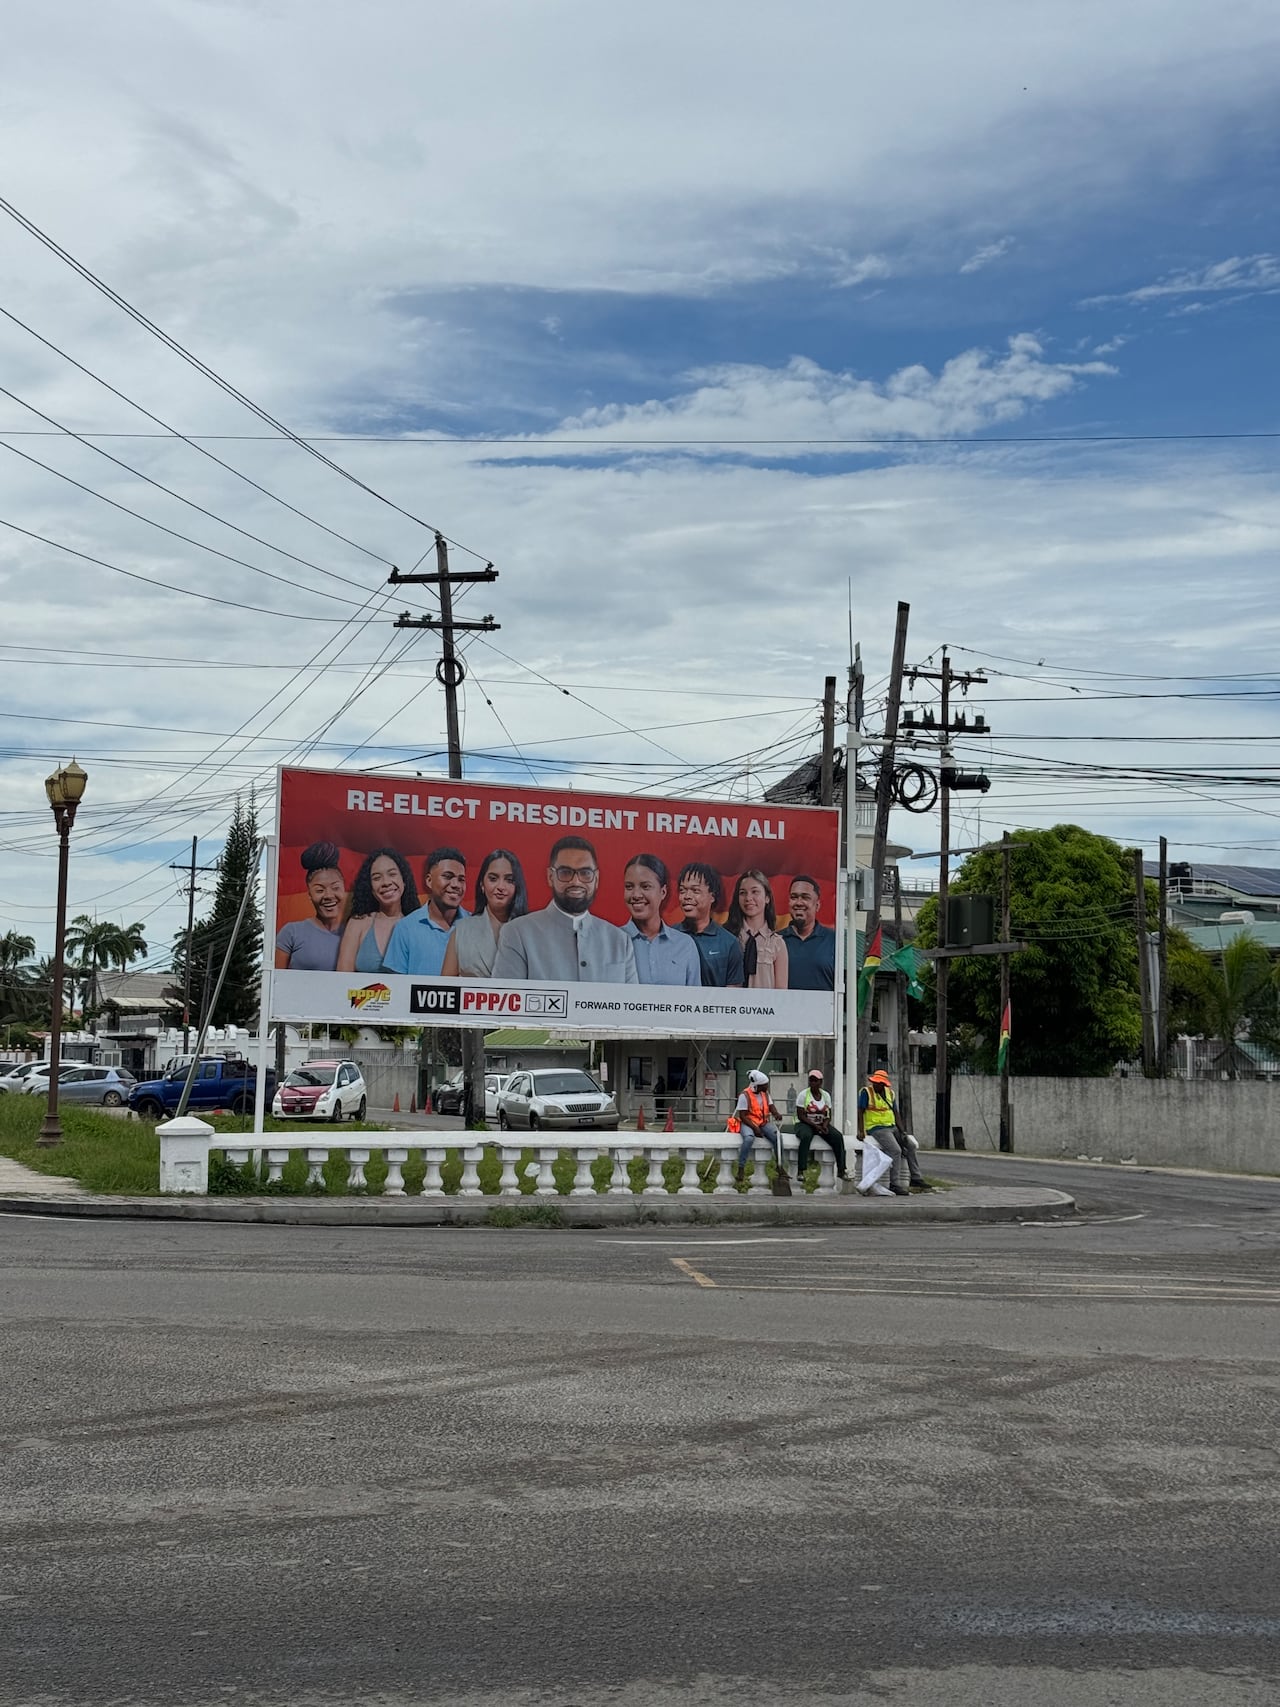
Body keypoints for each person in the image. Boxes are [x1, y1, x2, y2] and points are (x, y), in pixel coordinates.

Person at [492, 835, 638, 982]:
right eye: (565, 873)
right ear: (550, 877)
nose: (576, 881)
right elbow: (506, 1001)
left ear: (596, 879)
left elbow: (633, 1003)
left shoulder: (620, 941)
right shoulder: (517, 934)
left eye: (585, 873)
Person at [442, 848, 529, 978]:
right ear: (482, 885)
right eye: (493, 879)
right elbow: (446, 988)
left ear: (517, 887)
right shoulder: (462, 930)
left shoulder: (530, 932)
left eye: (509, 880)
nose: (501, 886)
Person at [382, 848, 468, 977]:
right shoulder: (405, 928)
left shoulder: (475, 926)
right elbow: (395, 987)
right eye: (447, 876)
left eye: (461, 879)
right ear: (429, 881)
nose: (456, 884)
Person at [622, 852, 703, 986]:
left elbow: (694, 1002)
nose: (636, 895)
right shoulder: (611, 943)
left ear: (663, 892)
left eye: (645, 886)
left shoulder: (685, 945)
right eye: (629, 887)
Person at [336, 848, 420, 974]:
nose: (386, 882)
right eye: (377, 878)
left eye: (392, 874)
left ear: (404, 880)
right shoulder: (358, 923)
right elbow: (341, 980)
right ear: (370, 888)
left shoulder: (418, 926)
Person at [275, 842, 347, 970]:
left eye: (335, 887)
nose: (329, 895)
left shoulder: (356, 934)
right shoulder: (291, 932)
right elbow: (275, 981)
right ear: (309, 895)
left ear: (344, 889)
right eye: (319, 890)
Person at [858, 1067, 929, 1193]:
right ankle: (894, 1184)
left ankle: (916, 1177)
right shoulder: (866, 1092)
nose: (877, 1085)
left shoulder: (890, 1093)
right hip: (877, 1128)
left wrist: (903, 1132)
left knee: (910, 1145)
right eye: (875, 1082)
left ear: (884, 1084)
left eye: (879, 1083)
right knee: (895, 1150)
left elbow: (896, 1113)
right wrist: (861, 1130)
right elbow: (860, 1111)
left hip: (891, 1127)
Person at [676, 863, 745, 987]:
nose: (687, 896)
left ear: (712, 897)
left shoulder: (729, 943)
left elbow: (733, 996)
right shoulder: (667, 937)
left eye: (695, 890)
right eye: (682, 890)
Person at [727, 869, 789, 989]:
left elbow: (781, 994)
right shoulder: (728, 937)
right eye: (743, 893)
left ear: (767, 898)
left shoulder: (777, 943)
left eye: (755, 892)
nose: (748, 898)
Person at [780, 876, 837, 991]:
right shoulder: (775, 940)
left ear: (817, 905)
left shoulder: (834, 940)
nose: (799, 902)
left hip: (822, 1008)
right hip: (784, 1008)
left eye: (805, 897)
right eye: (794, 897)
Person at [793, 1068, 850, 1181]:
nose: (813, 1083)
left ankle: (841, 1170)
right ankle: (801, 1170)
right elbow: (801, 1116)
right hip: (804, 1123)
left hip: (820, 1123)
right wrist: (815, 1126)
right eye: (811, 1080)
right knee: (806, 1136)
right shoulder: (803, 1095)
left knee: (837, 1137)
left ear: (820, 1082)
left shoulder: (826, 1096)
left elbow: (828, 1114)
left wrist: (825, 1124)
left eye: (815, 1080)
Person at [733, 1068, 785, 1185]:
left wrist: (776, 1114)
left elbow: (771, 1106)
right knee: (749, 1138)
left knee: (777, 1137)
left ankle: (779, 1165)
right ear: (757, 1085)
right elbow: (743, 1116)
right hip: (748, 1123)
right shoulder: (744, 1095)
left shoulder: (765, 1094)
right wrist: (755, 1128)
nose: (766, 1087)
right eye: (764, 1085)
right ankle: (741, 1168)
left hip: (762, 1122)